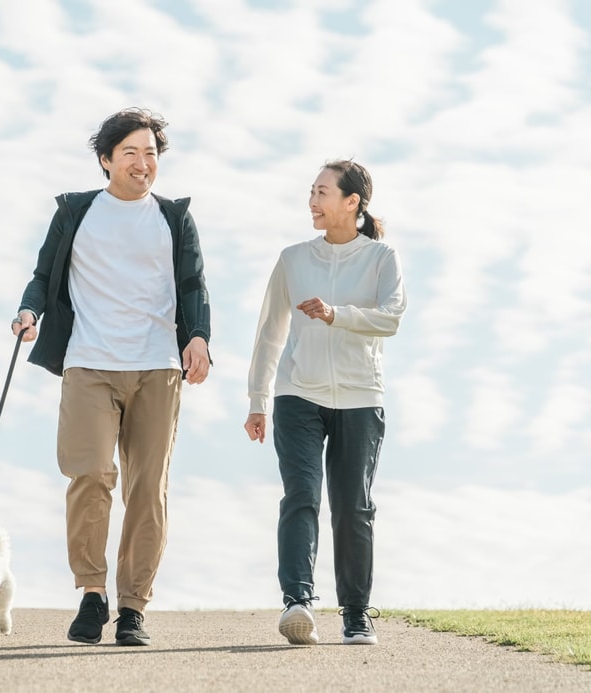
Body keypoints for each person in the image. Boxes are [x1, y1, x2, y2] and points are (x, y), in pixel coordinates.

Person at [11, 107, 212, 647]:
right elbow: (42, 274)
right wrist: (30, 312)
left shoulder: (173, 218)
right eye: (131, 153)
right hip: (89, 362)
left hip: (157, 368)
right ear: (106, 160)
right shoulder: (76, 213)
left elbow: (192, 284)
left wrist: (198, 337)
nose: (143, 163)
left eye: (151, 154)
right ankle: (92, 593)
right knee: (91, 474)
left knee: (149, 490)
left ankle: (132, 608)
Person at [244, 159, 406, 646]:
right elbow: (271, 332)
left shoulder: (382, 258)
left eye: (322, 192)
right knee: (301, 495)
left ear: (352, 202)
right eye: (310, 192)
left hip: (360, 396)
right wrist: (258, 399)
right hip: (299, 393)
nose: (312, 202)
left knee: (353, 507)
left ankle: (356, 613)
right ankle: (297, 601)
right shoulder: (293, 258)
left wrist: (337, 315)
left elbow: (391, 318)